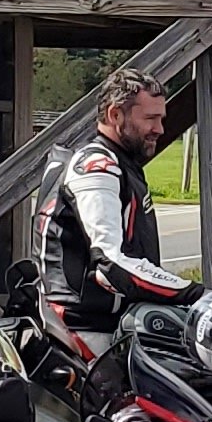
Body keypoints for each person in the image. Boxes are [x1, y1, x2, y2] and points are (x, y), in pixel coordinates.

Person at [45, 65, 179, 330]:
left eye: (161, 119)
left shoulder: (121, 162)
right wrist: (193, 293)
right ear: (115, 114)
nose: (160, 129)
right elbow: (111, 261)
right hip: (84, 328)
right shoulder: (96, 167)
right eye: (150, 118)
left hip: (112, 321)